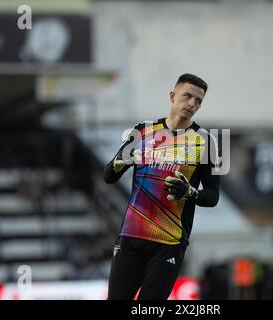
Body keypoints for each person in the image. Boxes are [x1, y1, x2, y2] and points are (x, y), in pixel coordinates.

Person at [103, 73, 220, 300]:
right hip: (131, 238)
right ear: (172, 95)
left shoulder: (207, 142)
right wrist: (120, 162)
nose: (192, 104)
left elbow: (213, 195)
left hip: (169, 243)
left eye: (198, 101)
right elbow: (109, 176)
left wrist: (190, 192)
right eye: (187, 96)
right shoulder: (143, 131)